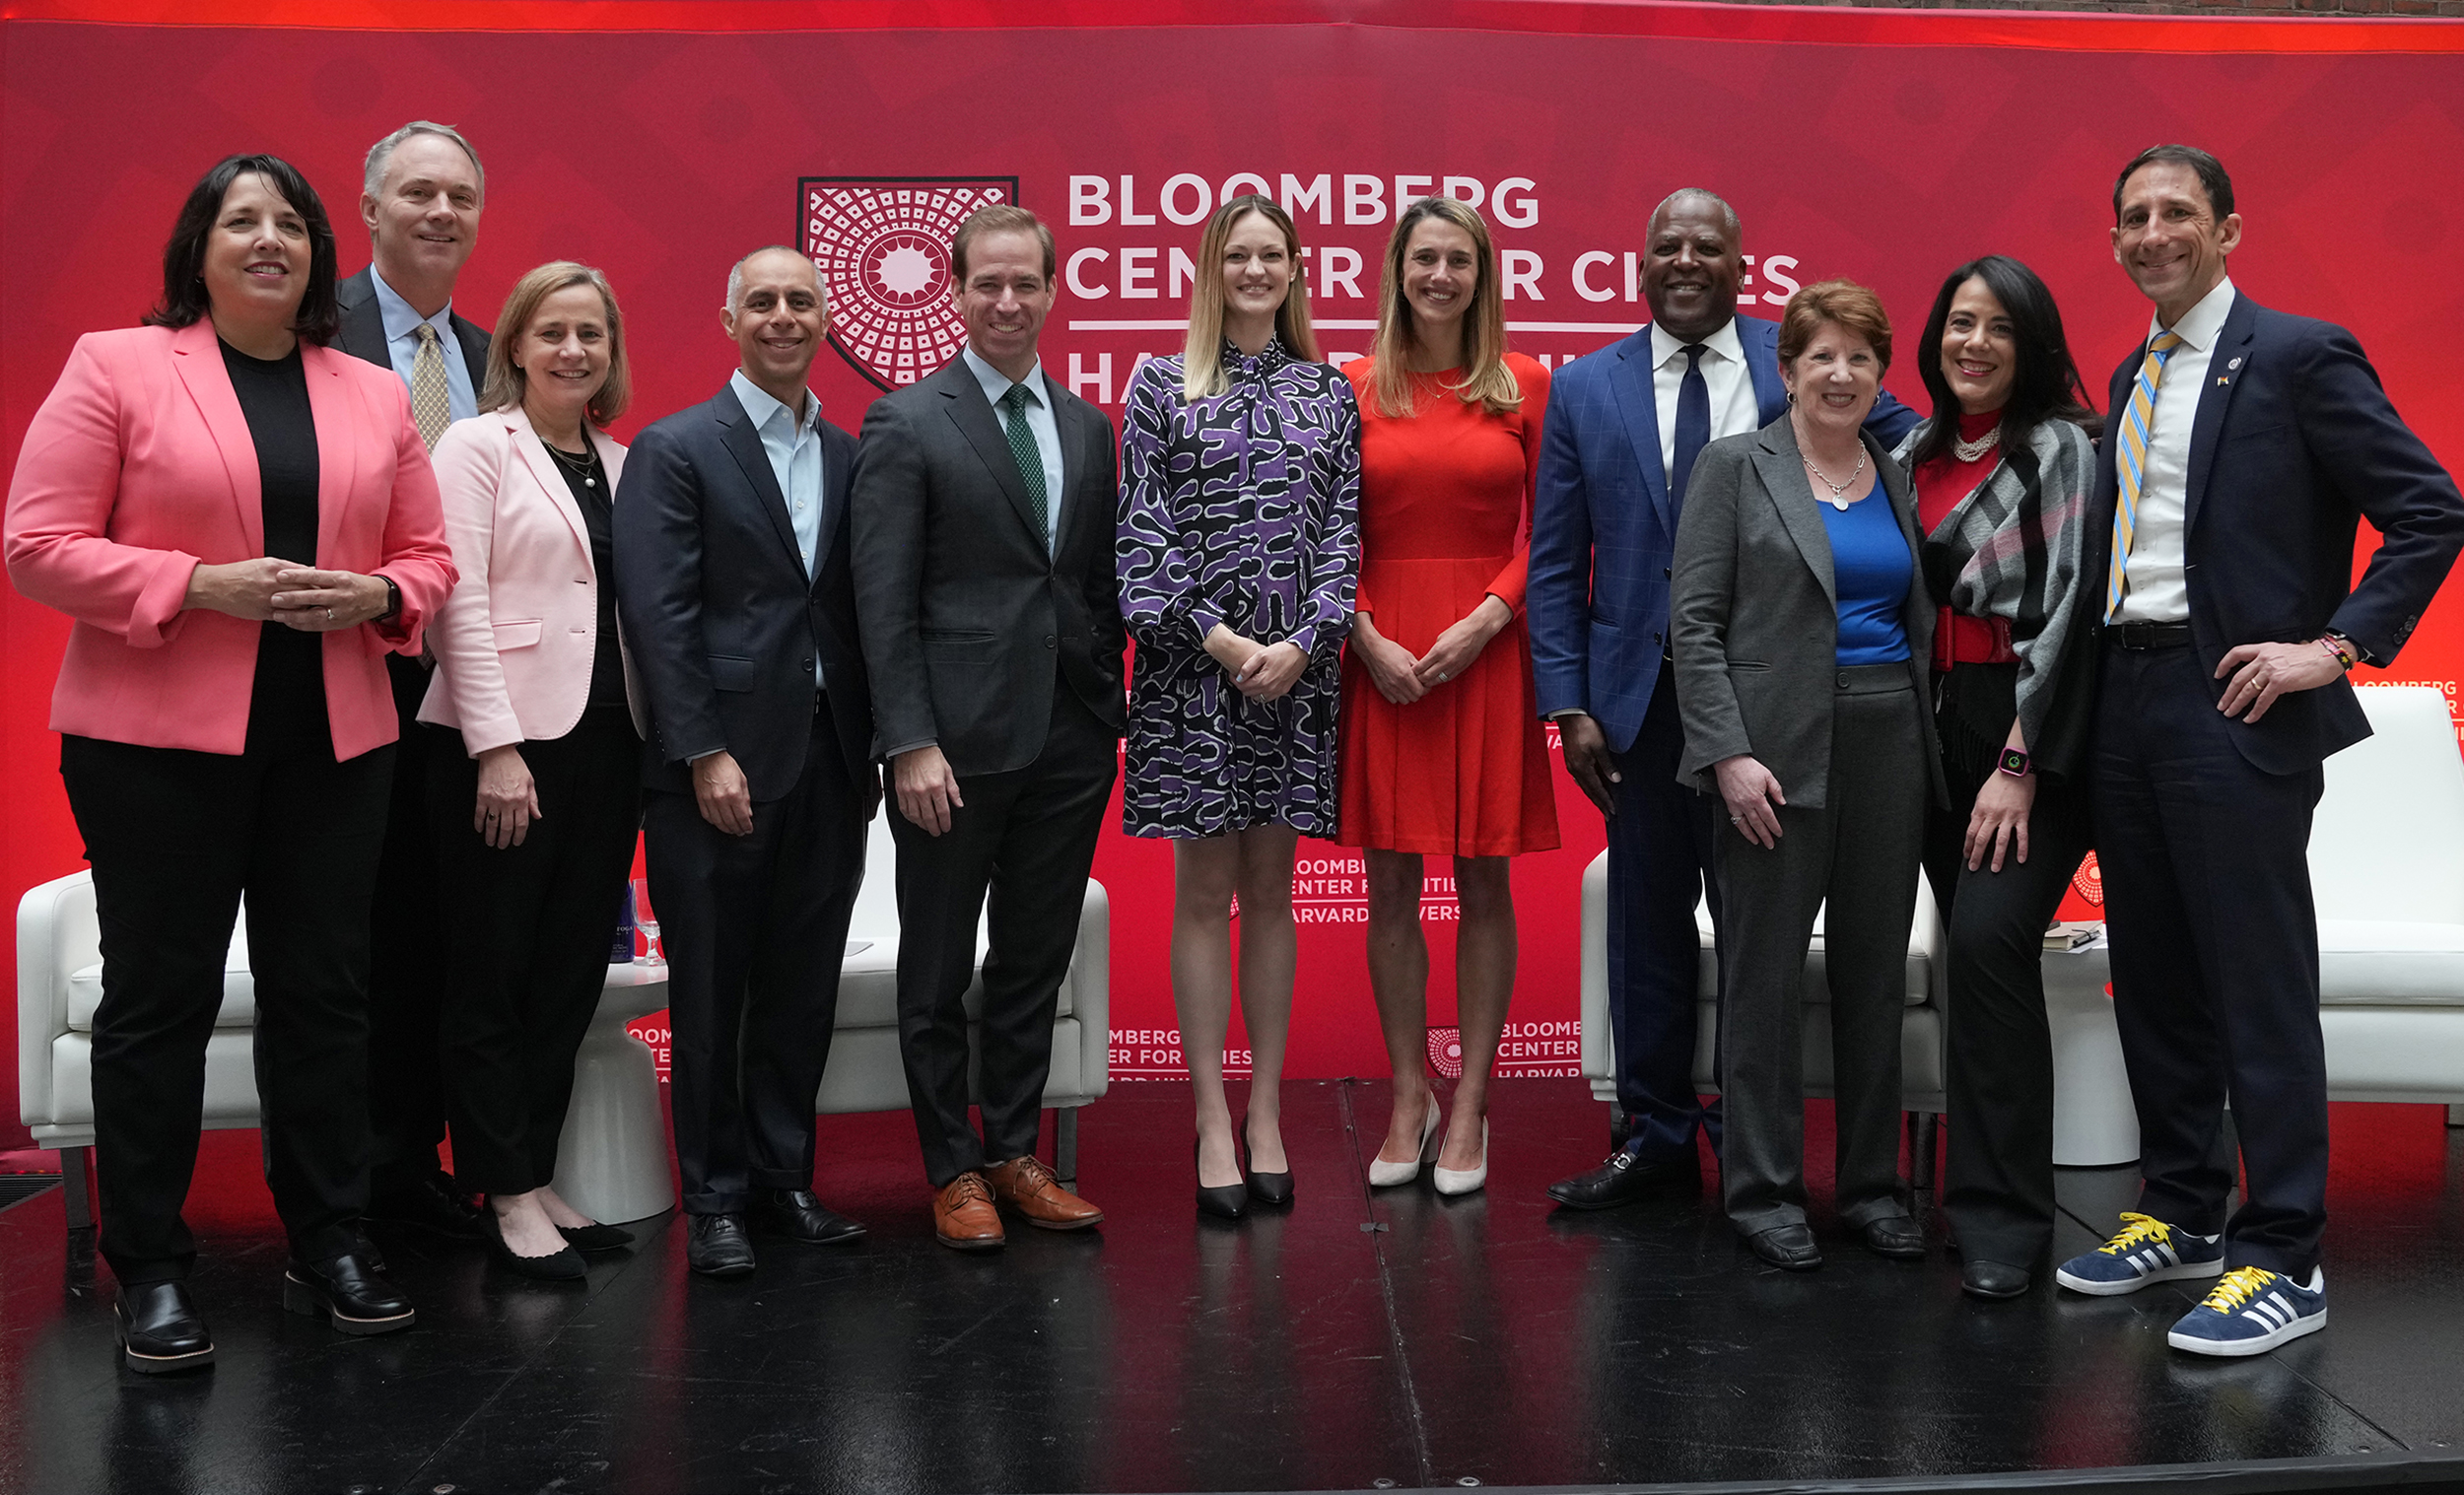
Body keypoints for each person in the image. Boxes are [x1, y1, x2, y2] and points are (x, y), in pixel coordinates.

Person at [4, 155, 455, 1369]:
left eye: (291, 224)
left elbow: (430, 559)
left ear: (318, 252)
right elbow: (36, 544)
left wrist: (381, 591)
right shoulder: (120, 366)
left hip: (335, 742)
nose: (271, 239)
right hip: (153, 751)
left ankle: (332, 1235)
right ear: (197, 247)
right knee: (162, 1001)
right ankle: (149, 1263)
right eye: (241, 220)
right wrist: (194, 583)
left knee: (327, 999)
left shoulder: (369, 390)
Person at [2054, 146, 2464, 1354]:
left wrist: (2329, 648)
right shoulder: (2130, 371)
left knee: (2256, 978)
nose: (2152, 231)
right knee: (2160, 973)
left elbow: (2430, 507)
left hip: (2231, 698)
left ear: (2228, 230)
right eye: (2133, 215)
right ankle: (2181, 1210)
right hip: (2122, 695)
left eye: (2177, 211)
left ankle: (2282, 1252)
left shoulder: (2297, 355)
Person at [1530, 189, 1919, 1211]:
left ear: (1743, 265)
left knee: (1761, 935)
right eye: (1669, 245)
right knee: (1648, 921)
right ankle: (1656, 1135)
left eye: (1709, 245)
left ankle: (1774, 1156)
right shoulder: (1583, 388)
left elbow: (1916, 452)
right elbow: (1557, 556)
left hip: (1780, 711)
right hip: (1637, 704)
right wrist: (1566, 699)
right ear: (1640, 264)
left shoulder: (1796, 358)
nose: (1688, 258)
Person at [851, 205, 1120, 1250]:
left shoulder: (1090, 426)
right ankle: (949, 1167)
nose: (1007, 302)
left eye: (1026, 284)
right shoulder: (907, 421)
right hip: (949, 750)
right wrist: (906, 738)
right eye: (987, 284)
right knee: (935, 965)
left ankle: (1011, 1150)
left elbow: (1089, 580)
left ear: (1052, 293)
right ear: (955, 293)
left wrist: (1104, 704)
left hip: (1069, 737)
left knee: (1031, 956)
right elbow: (881, 598)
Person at [1670, 280, 1943, 1272]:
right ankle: (1764, 1189)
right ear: (1784, 370)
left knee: (1872, 976)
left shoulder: (1897, 470)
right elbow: (1691, 624)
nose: (1840, 373)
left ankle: (1870, 1187)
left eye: (1860, 357)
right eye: (1819, 355)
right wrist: (1728, 754)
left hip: (1889, 744)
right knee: (1763, 979)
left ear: (1880, 375)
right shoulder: (1732, 467)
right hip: (1768, 755)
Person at [613, 247, 875, 1277]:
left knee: (801, 984)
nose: (781, 316)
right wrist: (701, 749)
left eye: (799, 301)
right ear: (729, 318)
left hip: (828, 754)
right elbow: (658, 615)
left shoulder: (851, 454)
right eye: (760, 300)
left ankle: (784, 1180)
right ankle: (714, 1199)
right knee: (713, 991)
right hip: (714, 765)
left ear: (823, 321)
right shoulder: (676, 449)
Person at [1117, 195, 1359, 1218]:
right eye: (1238, 255)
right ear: (1210, 269)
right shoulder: (1161, 385)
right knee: (1200, 894)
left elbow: (1345, 534)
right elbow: (1141, 537)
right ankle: (1211, 1116)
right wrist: (1221, 641)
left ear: (1297, 270)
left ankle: (1266, 1111)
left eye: (1272, 255)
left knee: (1274, 893)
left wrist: (1304, 641)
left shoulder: (1329, 390)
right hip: (1193, 677)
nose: (1255, 269)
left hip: (1295, 682)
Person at [417, 262, 645, 1279]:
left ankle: (536, 1170)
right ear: (514, 343)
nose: (572, 349)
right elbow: (455, 598)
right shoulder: (477, 444)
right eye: (552, 330)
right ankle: (501, 1188)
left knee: (564, 973)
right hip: (503, 749)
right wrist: (494, 746)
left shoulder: (626, 460)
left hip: (609, 741)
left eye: (590, 332)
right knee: (491, 972)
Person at [1339, 196, 1557, 1198]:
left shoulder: (1526, 384)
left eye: (1457, 260)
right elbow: (1319, 529)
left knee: (1482, 883)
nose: (1440, 275)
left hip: (1485, 649)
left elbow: (1548, 534)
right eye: (1423, 258)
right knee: (1388, 886)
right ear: (1398, 271)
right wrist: (1364, 632)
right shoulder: (1347, 386)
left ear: (1482, 276)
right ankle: (1406, 1093)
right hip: (1380, 649)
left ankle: (1470, 1097)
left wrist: (1488, 617)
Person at [1894, 256, 2101, 1301]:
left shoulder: (2062, 448)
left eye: (1997, 328)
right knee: (1968, 966)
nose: (1972, 343)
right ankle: (1959, 1198)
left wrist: (2017, 761)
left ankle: (2006, 1219)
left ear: (2031, 345)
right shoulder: (1907, 451)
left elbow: (2068, 612)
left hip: (2027, 728)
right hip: (1928, 730)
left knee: (1986, 941)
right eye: (1957, 322)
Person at [331, 120, 493, 1242]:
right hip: (343, 683)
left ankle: (416, 1161)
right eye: (418, 192)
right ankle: (350, 1183)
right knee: (345, 936)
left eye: (462, 196)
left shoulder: (502, 354)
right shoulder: (308, 332)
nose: (442, 213)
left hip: (474, 698)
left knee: (445, 931)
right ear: (369, 208)